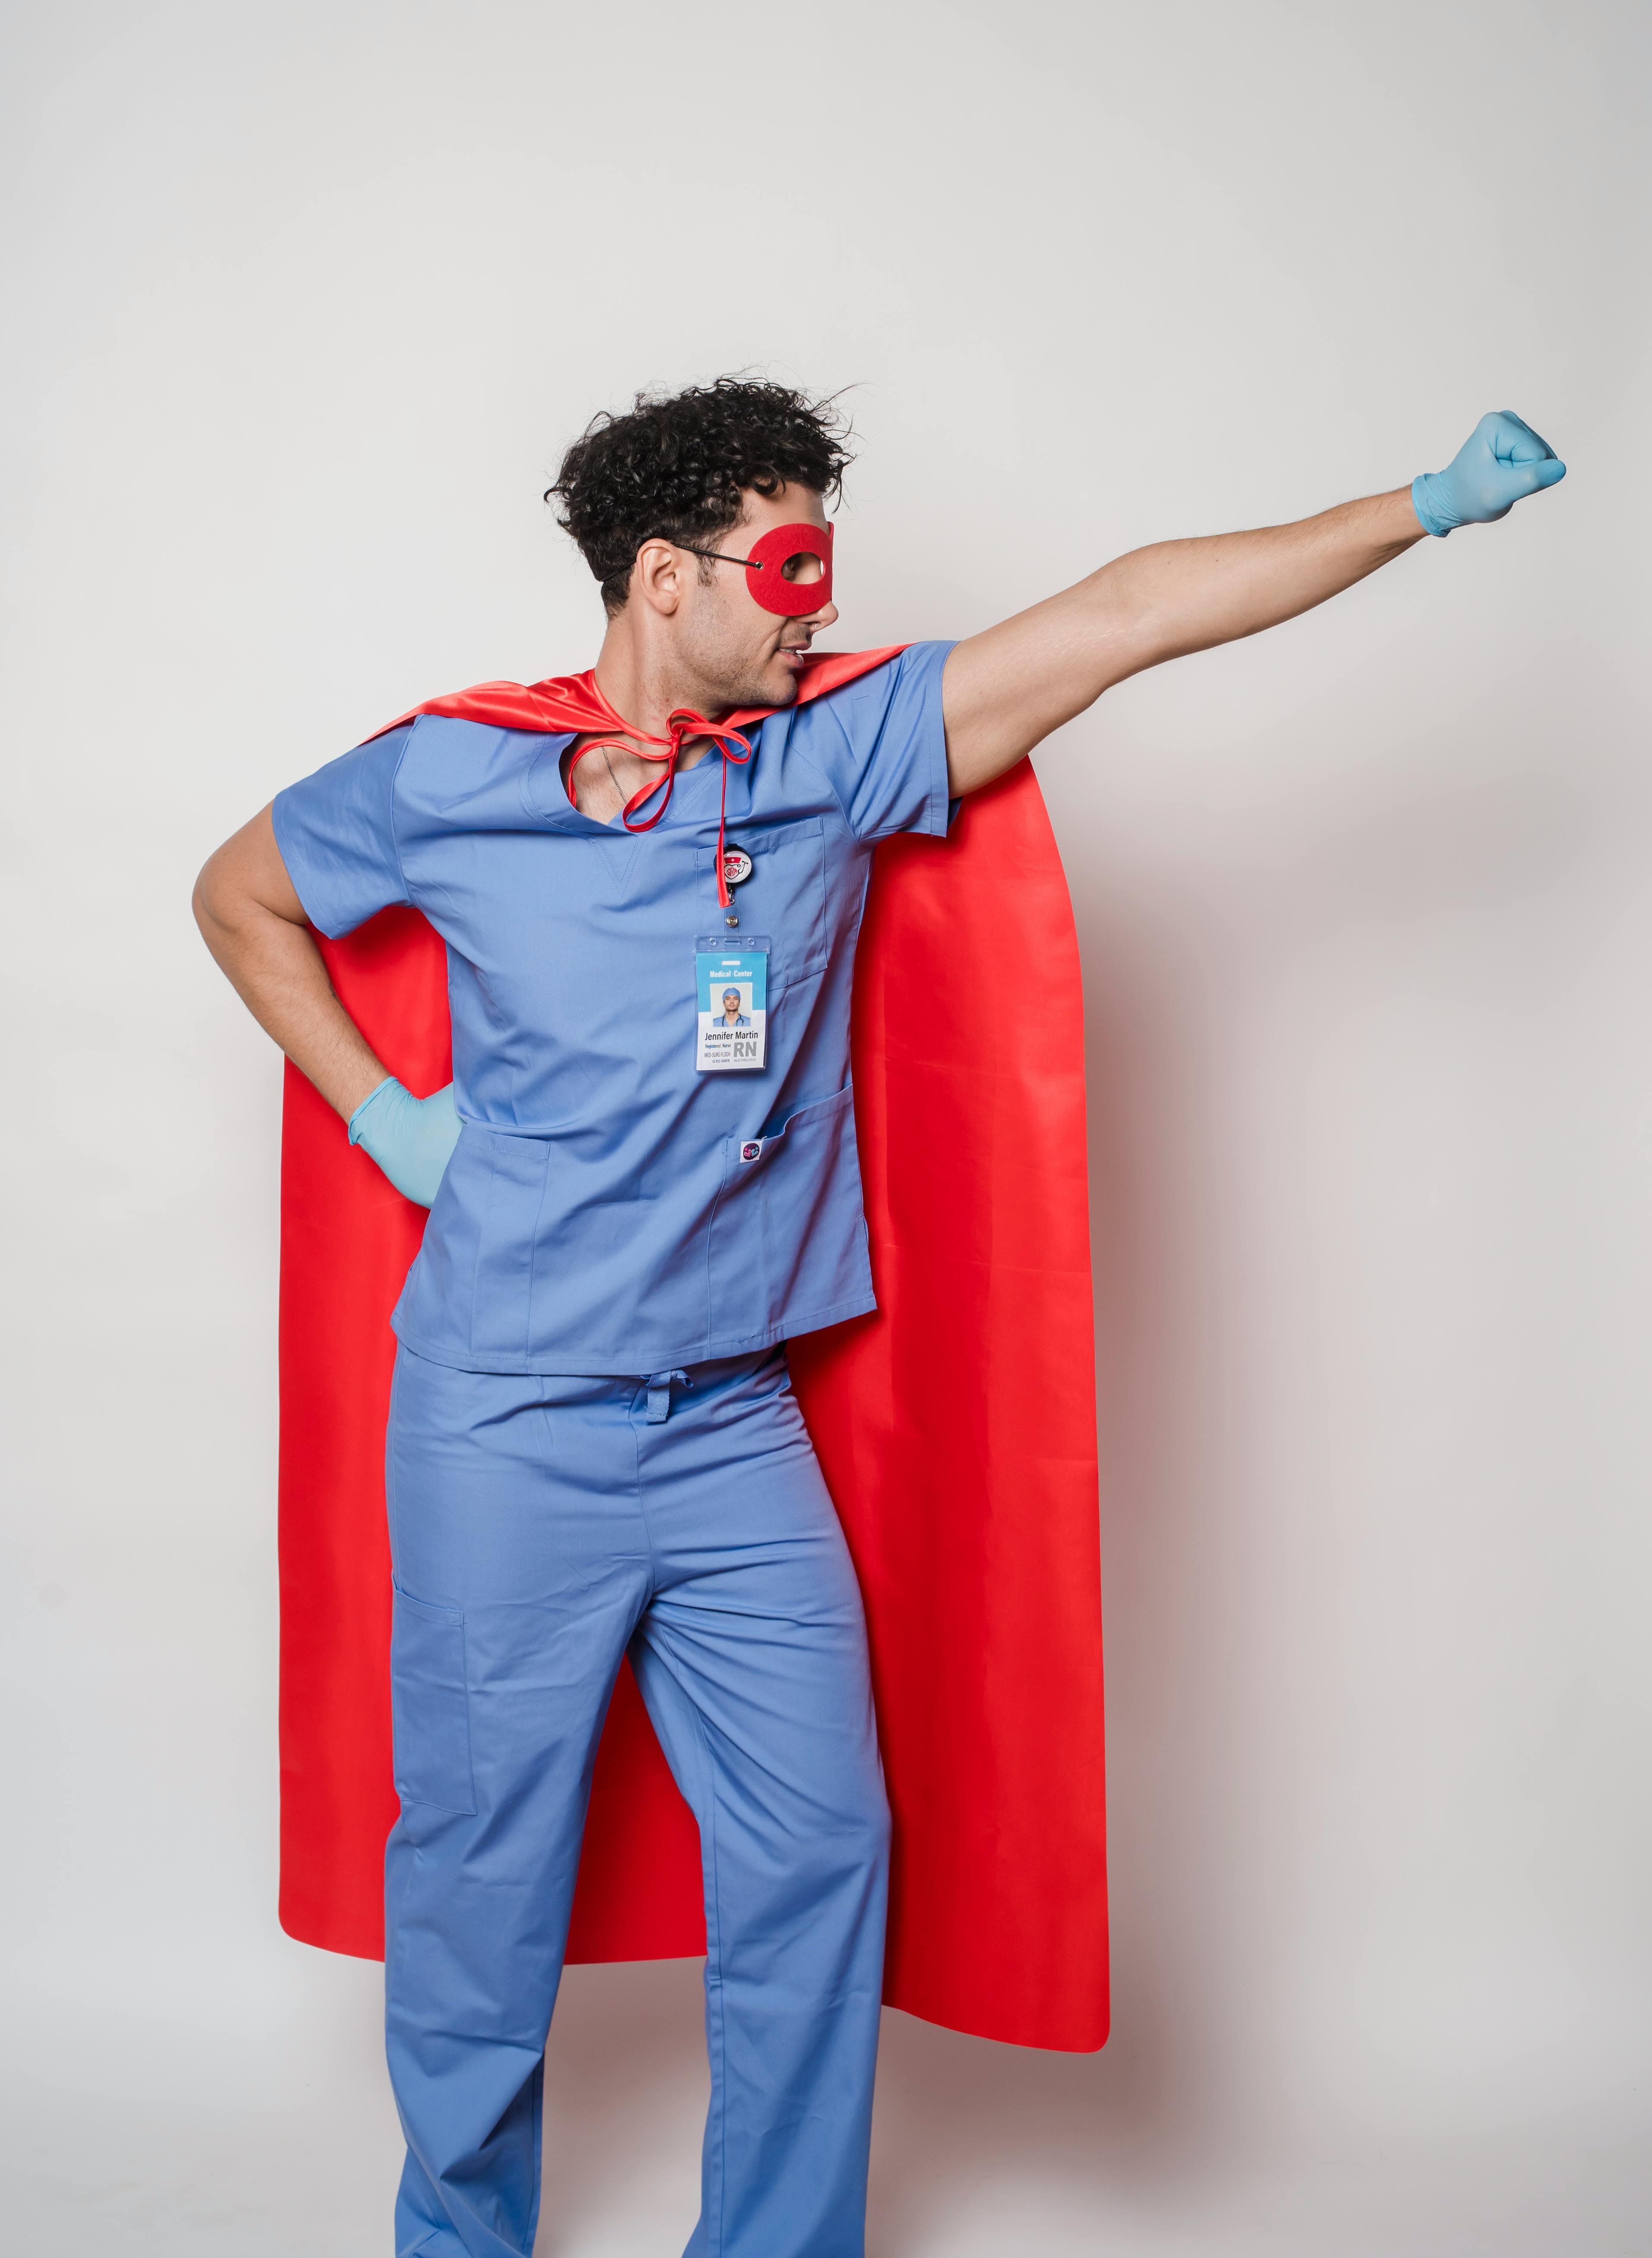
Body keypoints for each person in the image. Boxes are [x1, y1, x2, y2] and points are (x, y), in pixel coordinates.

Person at [192, 380, 1564, 2258]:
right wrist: (383, 1113)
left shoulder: (832, 760)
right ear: (664, 578)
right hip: (506, 1420)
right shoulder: (455, 773)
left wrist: (1413, 507)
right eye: (785, 567)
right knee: (479, 1879)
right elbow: (242, 893)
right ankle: (460, 2234)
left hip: (734, 1429)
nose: (816, 609)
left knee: (819, 1848)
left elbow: (1129, 612)